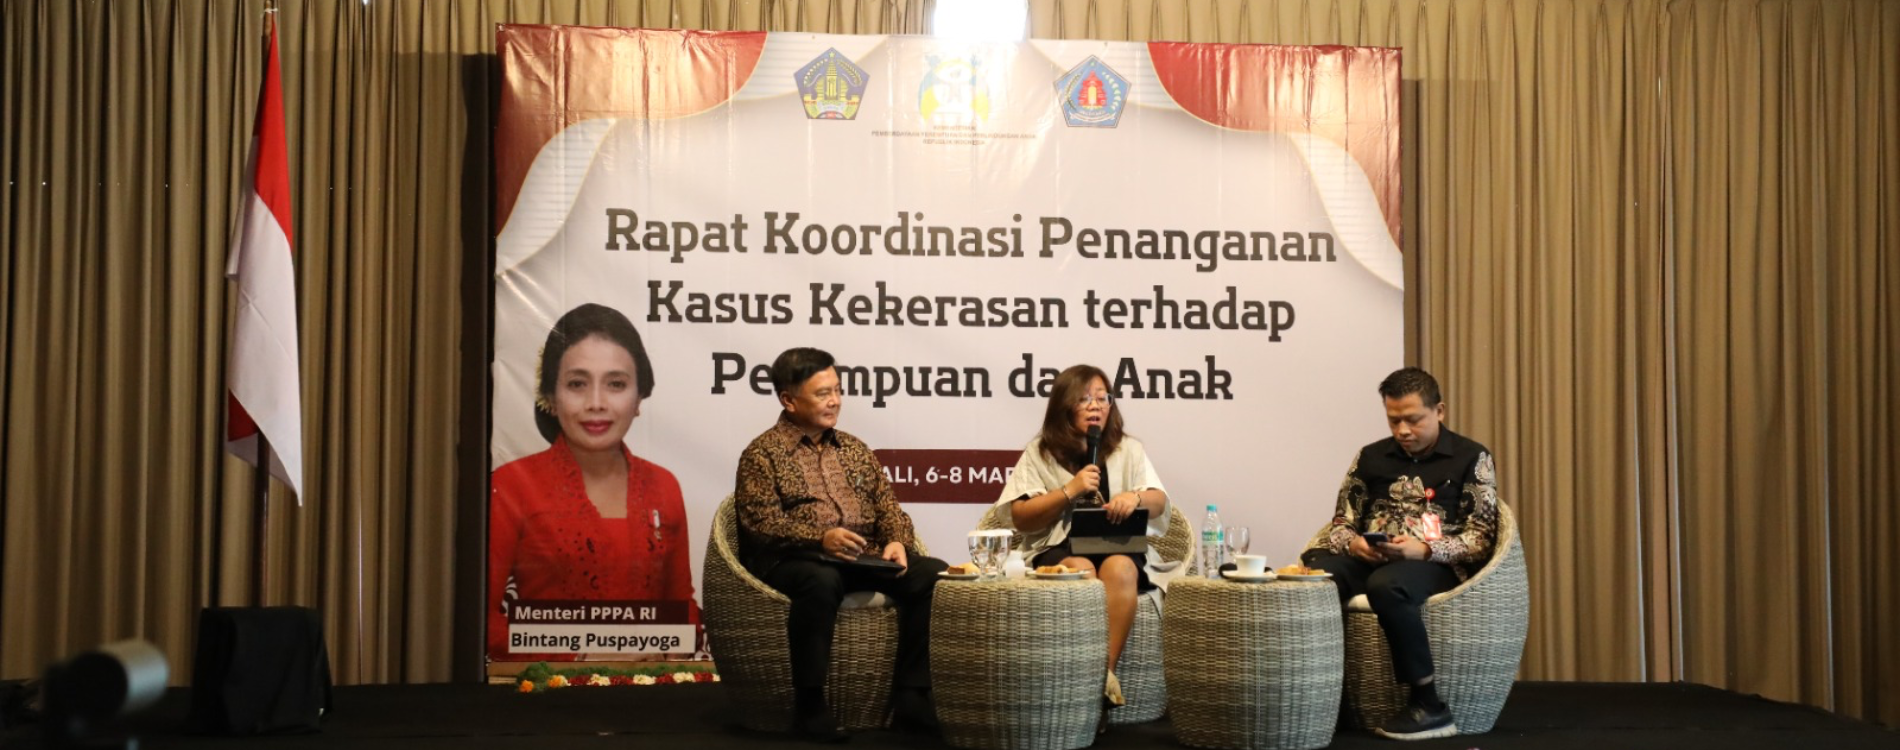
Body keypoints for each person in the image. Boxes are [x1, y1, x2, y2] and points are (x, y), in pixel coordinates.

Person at [732, 347, 947, 742]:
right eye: (822, 394)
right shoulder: (761, 455)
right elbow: (759, 524)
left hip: (862, 558)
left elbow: (888, 507)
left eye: (837, 390)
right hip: (796, 561)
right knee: (820, 580)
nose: (835, 401)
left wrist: (897, 541)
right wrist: (820, 539)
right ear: (788, 400)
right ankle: (810, 705)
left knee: (934, 575)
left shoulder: (854, 449)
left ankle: (912, 695)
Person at [487, 303, 699, 661]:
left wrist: (672, 651)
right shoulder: (512, 485)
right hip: (552, 690)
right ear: (551, 397)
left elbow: (683, 610)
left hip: (651, 688)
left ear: (639, 398)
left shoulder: (664, 485)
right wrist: (585, 654)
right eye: (577, 384)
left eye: (616, 384)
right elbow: (482, 621)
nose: (596, 403)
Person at [1300, 367, 1500, 741]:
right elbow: (1341, 523)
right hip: (1371, 557)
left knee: (1387, 585)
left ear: (1439, 410)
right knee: (1314, 575)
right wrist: (1354, 544)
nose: (1403, 430)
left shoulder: (1472, 457)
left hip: (1436, 564)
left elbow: (1481, 539)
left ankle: (1428, 704)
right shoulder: (1370, 457)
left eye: (1413, 419)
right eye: (1394, 420)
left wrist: (1423, 549)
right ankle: (1316, 694)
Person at [994, 364, 1170, 718]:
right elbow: (1020, 516)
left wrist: (1135, 497)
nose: (1096, 406)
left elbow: (1159, 501)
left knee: (1121, 569)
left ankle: (1103, 677)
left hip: (1117, 544)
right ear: (1064, 406)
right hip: (1059, 546)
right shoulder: (1040, 453)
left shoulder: (1128, 449)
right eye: (1085, 398)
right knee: (1079, 569)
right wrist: (1068, 491)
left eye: (1103, 398)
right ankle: (1093, 681)